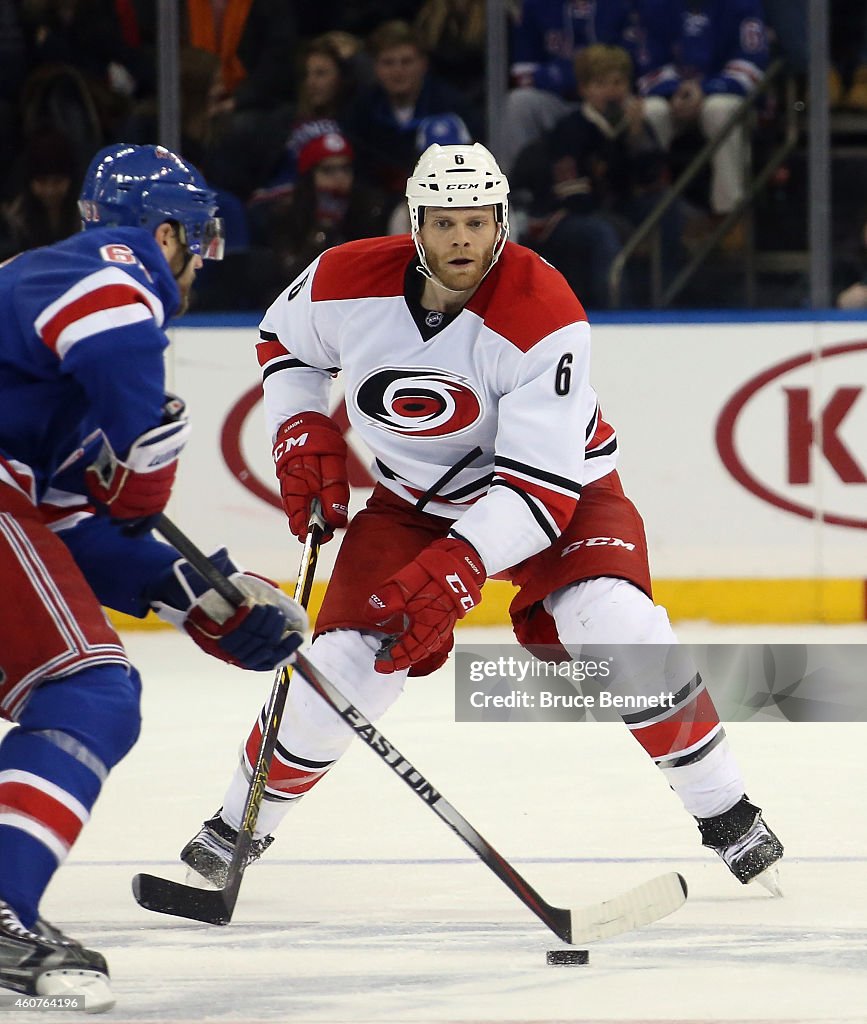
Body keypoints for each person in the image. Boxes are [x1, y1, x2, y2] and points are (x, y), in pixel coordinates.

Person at [177, 142, 784, 906]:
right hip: (411, 505)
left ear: (501, 223)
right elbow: (283, 343)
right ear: (415, 223)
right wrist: (301, 431)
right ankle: (238, 824)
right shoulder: (342, 279)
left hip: (563, 495)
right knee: (344, 663)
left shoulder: (543, 311)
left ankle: (725, 810)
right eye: (443, 223)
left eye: (476, 221)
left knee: (615, 623)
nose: (460, 239)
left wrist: (460, 569)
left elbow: (539, 491)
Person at [0, 143, 308, 1010]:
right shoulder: (108, 270)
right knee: (86, 691)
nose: (201, 262)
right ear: (165, 231)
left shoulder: (40, 337)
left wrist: (205, 599)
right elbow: (110, 328)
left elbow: (68, 532)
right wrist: (142, 452)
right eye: (199, 241)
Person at [516, 43, 683, 308]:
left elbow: (652, 181)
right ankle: (617, 313)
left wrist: (637, 137)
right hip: (559, 215)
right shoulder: (571, 128)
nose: (612, 91)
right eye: (601, 83)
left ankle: (666, 301)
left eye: (618, 82)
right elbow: (574, 197)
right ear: (584, 89)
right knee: (601, 232)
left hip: (612, 208)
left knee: (666, 209)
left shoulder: (635, 126)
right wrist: (616, 218)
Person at [633, 0, 769, 225]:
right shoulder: (656, 6)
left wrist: (705, 90)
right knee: (649, 112)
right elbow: (648, 64)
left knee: (720, 109)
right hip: (674, 97)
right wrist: (675, 91)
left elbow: (752, 65)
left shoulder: (743, 5)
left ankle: (729, 217)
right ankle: (651, 210)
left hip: (724, 94)